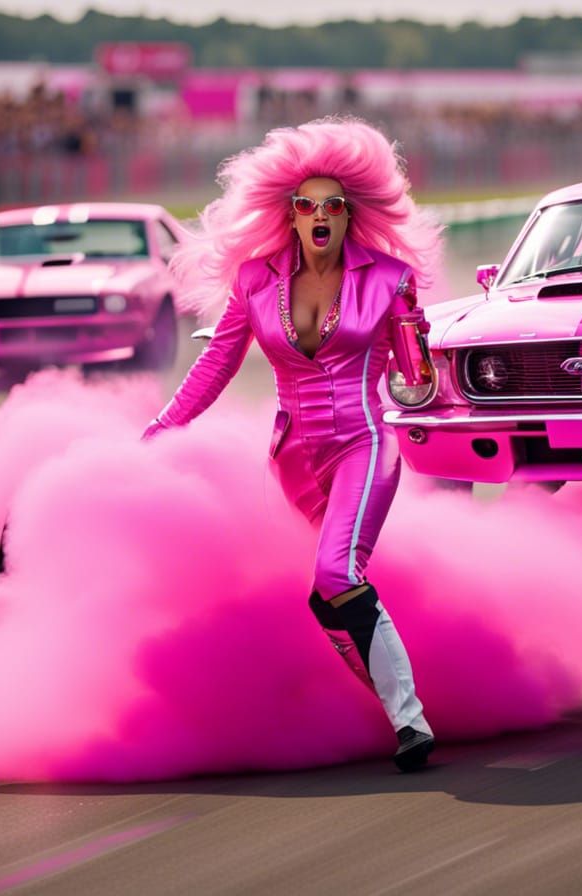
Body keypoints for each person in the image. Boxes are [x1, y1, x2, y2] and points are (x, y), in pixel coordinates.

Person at [143, 117, 442, 772]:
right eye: (308, 205)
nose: (321, 216)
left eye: (334, 205)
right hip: (292, 458)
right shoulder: (255, 281)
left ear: (352, 212)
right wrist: (163, 429)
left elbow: (416, 383)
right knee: (309, 594)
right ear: (289, 213)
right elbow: (215, 364)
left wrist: (414, 343)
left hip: (364, 444)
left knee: (337, 573)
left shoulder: (390, 279)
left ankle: (410, 720)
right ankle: (375, 706)